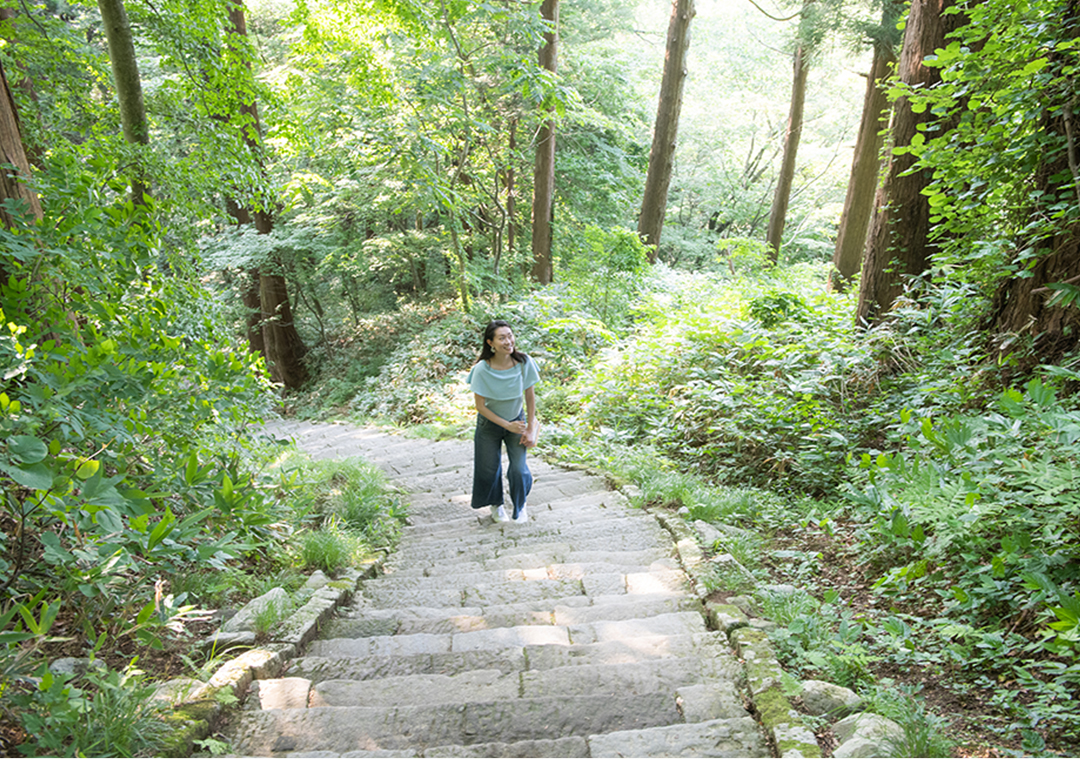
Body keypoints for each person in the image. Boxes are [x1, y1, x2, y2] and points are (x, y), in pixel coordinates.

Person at [467, 320, 540, 523]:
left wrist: (531, 427)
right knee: (488, 468)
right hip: (489, 425)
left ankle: (520, 506)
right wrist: (505, 424)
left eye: (510, 336)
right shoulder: (482, 369)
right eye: (502, 338)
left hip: (517, 421)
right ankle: (496, 506)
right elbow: (480, 406)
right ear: (491, 342)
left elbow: (530, 397)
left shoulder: (524, 363)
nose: (508, 341)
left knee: (519, 468)